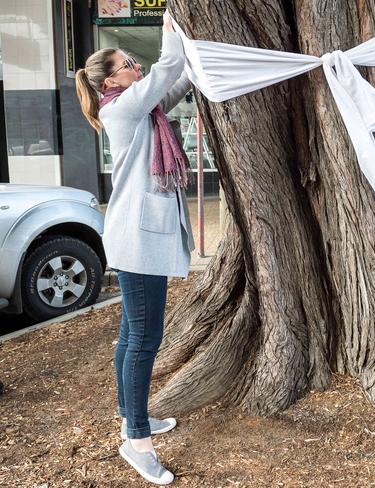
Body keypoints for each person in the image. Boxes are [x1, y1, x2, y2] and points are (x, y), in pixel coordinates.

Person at [75, 10, 195, 484]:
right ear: (110, 78)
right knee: (144, 340)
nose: (137, 67)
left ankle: (132, 418)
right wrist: (172, 36)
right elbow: (165, 71)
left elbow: (174, 85)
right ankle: (138, 441)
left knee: (131, 336)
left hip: (135, 236)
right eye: (128, 63)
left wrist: (196, 63)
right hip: (137, 239)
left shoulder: (142, 107)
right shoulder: (119, 107)